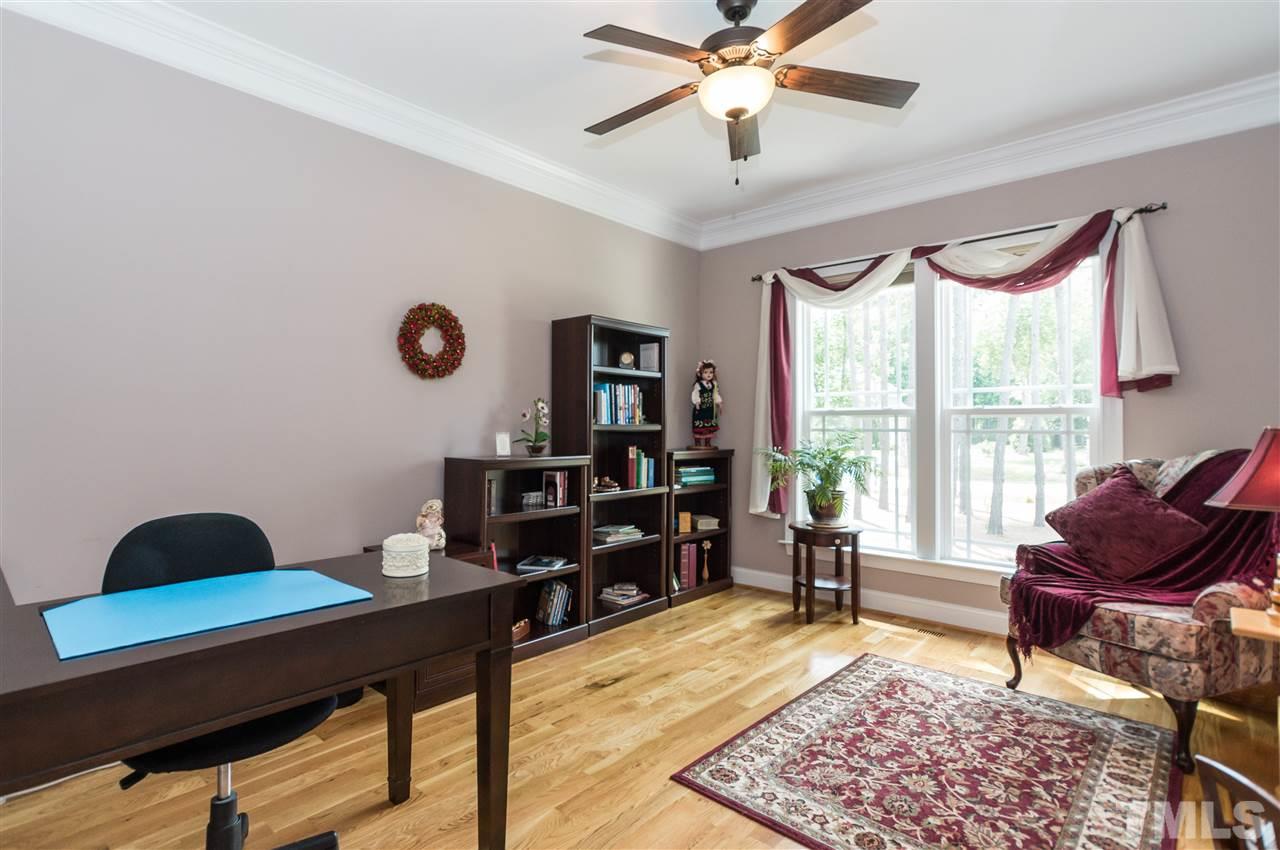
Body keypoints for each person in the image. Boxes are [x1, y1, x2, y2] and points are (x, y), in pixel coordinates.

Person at [690, 359, 722, 449]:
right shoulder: (698, 385)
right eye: (706, 372)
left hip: (710, 409)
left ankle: (708, 442)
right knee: (699, 426)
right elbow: (695, 394)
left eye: (711, 372)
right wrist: (697, 402)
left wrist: (719, 402)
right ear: (700, 373)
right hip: (701, 409)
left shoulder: (714, 384)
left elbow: (715, 394)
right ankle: (698, 442)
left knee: (709, 426)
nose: (709, 374)